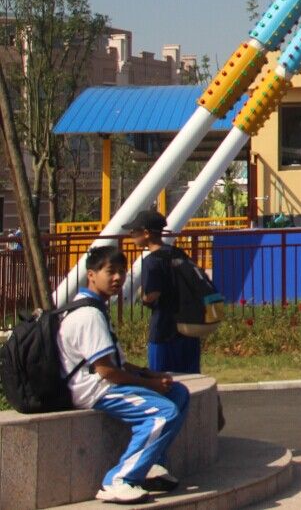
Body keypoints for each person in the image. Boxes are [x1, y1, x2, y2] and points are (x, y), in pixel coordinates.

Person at [58, 245, 190, 504]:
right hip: (93, 390)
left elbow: (117, 362)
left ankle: (151, 464)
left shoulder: (96, 309)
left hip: (104, 384)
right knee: (163, 412)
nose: (118, 278)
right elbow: (107, 371)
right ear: (91, 274)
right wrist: (149, 384)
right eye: (110, 271)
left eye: (122, 272)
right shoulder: (87, 315)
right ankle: (118, 480)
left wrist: (149, 374)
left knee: (178, 393)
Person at [128, 210, 201, 374]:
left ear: (146, 233)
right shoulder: (178, 253)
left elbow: (151, 295)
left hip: (164, 331)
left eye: (134, 231)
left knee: (162, 380)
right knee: (191, 381)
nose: (131, 235)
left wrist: (142, 295)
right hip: (188, 328)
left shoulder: (152, 261)